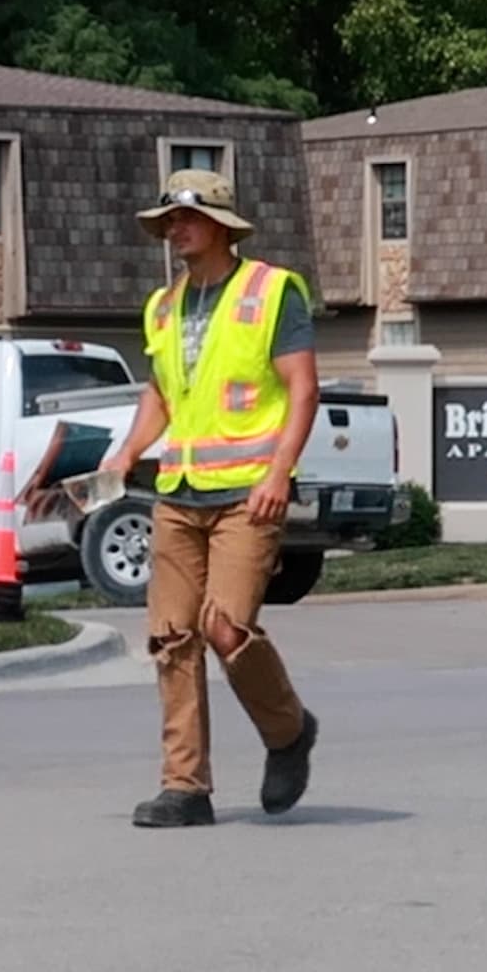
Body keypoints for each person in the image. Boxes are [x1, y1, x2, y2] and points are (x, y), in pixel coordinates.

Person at [101, 169, 321, 829]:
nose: (175, 229)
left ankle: (288, 733)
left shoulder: (271, 292)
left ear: (222, 225)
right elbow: (164, 395)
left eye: (186, 217)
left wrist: (280, 472)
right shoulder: (163, 306)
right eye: (168, 219)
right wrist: (128, 450)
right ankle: (185, 788)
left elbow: (303, 390)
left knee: (225, 629)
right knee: (171, 638)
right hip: (179, 492)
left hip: (247, 493)